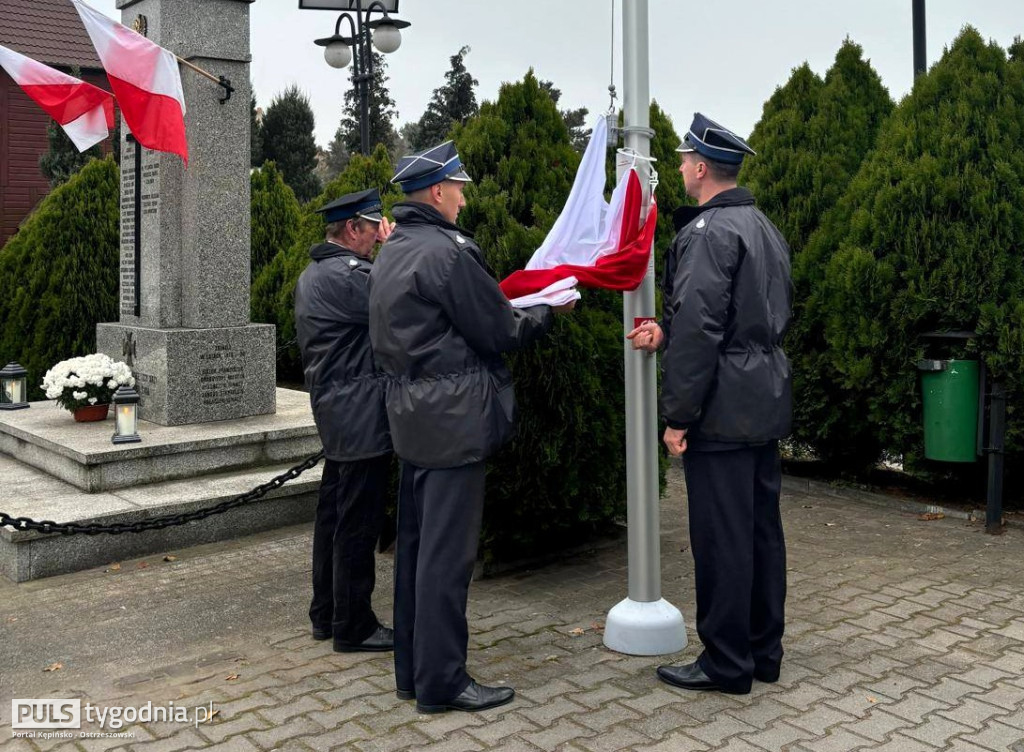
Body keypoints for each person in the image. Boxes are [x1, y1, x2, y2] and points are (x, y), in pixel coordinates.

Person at [368, 141, 574, 714]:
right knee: (445, 559)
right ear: (437, 192)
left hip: (414, 419)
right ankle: (442, 682)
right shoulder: (450, 252)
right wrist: (547, 313)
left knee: (416, 552)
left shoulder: (396, 249)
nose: (462, 196)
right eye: (457, 186)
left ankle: (415, 672)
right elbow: (497, 329)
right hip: (452, 422)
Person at [628, 113, 793, 695]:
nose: (677, 168)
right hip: (762, 399)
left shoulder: (706, 233)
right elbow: (745, 318)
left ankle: (725, 663)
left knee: (722, 540)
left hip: (721, 408)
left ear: (701, 167)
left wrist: (677, 417)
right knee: (759, 533)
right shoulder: (762, 226)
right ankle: (761, 651)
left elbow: (702, 328)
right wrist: (666, 333)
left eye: (681, 160)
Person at [294, 188, 396, 654]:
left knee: (334, 516)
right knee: (357, 522)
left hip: (339, 409)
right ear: (352, 228)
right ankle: (354, 624)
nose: (379, 236)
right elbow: (398, 301)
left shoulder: (317, 272)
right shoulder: (349, 275)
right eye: (375, 227)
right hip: (360, 413)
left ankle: (327, 613)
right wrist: (396, 253)